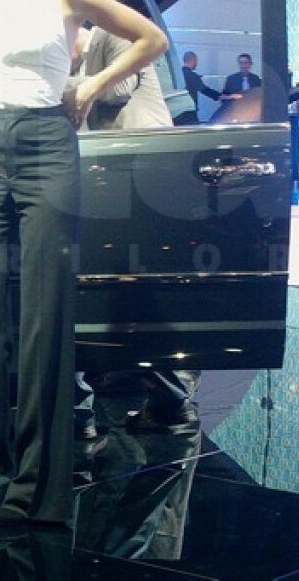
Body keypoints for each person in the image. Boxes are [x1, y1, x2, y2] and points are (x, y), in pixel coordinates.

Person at [0, 0, 168, 527]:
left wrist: (91, 85)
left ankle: (34, 492)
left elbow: (151, 39)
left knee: (44, 319)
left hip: (48, 143)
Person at [73, 28, 198, 431]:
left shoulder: (113, 36)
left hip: (145, 177)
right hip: (113, 181)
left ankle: (171, 398)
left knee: (133, 292)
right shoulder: (79, 53)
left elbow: (117, 90)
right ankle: (148, 395)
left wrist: (56, 84)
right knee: (106, 288)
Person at [175, 51, 219, 125]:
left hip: (176, 113)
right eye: (196, 61)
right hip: (189, 113)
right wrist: (223, 96)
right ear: (193, 60)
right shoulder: (192, 76)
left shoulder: (176, 75)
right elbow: (205, 90)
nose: (197, 64)